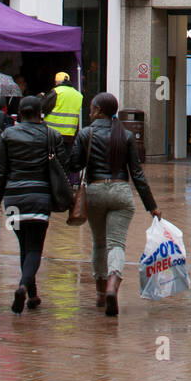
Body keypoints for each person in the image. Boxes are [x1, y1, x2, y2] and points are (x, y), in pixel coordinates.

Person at [73, 93, 160, 316]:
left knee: (99, 244)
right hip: (121, 192)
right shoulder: (126, 135)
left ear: (99, 110)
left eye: (92, 108)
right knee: (116, 244)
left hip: (95, 192)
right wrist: (151, 206)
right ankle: (113, 283)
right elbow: (137, 174)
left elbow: (74, 164)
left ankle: (101, 293)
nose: (90, 112)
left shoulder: (86, 134)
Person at [0, 95, 68, 314]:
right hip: (40, 197)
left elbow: (0, 173)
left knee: (24, 245)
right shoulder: (51, 135)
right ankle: (24, 286)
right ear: (40, 113)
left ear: (20, 113)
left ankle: (32, 295)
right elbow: (64, 165)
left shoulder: (7, 135)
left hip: (13, 199)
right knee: (34, 248)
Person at [42, 71, 83, 149]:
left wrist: (41, 98)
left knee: (52, 156)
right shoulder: (78, 95)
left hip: (53, 133)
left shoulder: (56, 92)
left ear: (56, 82)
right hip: (69, 134)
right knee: (65, 157)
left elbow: (44, 108)